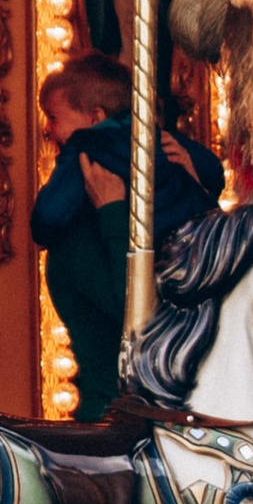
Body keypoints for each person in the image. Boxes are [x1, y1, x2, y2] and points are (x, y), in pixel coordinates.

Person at [32, 60, 222, 417]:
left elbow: (45, 219)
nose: (47, 130)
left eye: (54, 119)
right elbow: (136, 321)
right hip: (121, 413)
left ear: (95, 118)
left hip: (149, 414)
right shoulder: (79, 240)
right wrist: (113, 214)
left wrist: (196, 188)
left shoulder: (88, 155)